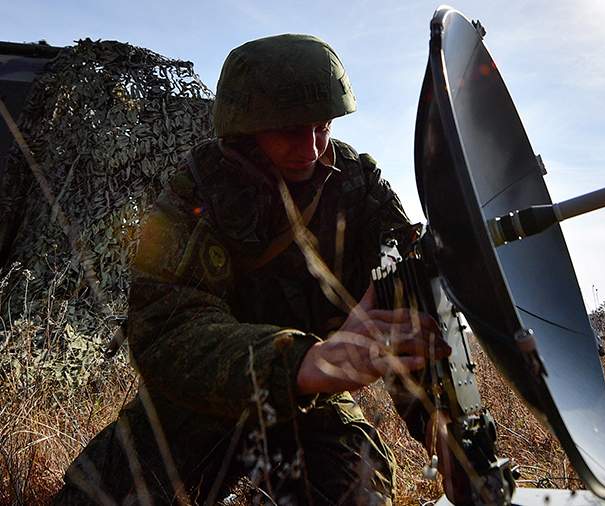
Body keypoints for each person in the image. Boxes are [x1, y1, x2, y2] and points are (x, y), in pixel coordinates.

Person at [53, 34, 447, 506]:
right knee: (93, 498)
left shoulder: (360, 188)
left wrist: (443, 431)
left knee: (356, 490)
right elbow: (167, 331)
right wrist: (305, 362)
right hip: (202, 401)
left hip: (312, 404)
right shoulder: (198, 190)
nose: (311, 147)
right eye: (289, 130)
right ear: (246, 129)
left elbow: (411, 314)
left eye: (321, 126)